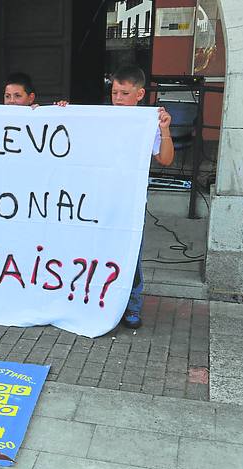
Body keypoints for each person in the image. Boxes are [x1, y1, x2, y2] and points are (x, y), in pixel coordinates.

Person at [109, 64, 174, 328]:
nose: (118, 99)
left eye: (124, 93)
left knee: (130, 254)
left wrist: (165, 129)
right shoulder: (99, 118)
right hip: (100, 198)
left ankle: (132, 305)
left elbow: (166, 159)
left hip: (130, 202)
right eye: (114, 93)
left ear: (139, 95)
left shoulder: (148, 123)